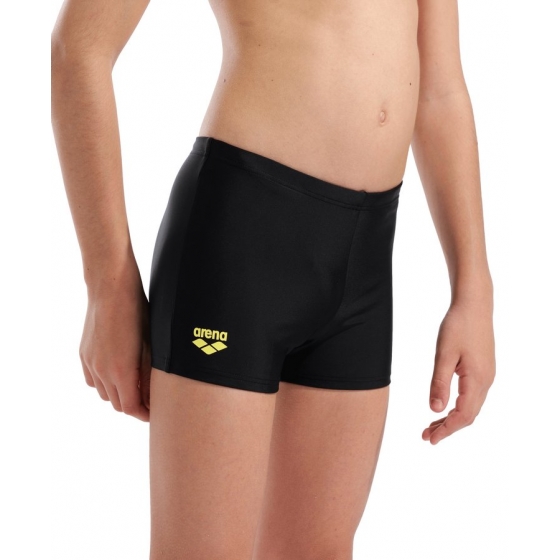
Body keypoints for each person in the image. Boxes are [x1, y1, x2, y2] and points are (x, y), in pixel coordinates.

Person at [51, 0, 496, 558]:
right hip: (242, 242)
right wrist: (108, 287)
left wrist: (474, 291)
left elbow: (440, 88)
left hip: (365, 258)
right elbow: (79, 49)